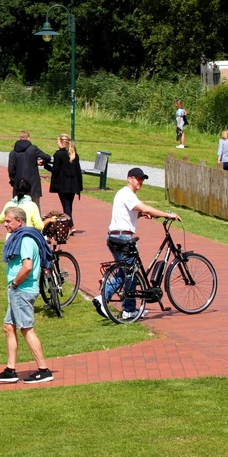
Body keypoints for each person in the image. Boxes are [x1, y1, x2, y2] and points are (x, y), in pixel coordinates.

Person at [91, 168, 182, 322]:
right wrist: (168, 215)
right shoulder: (127, 194)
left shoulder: (124, 194)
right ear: (129, 179)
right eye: (138, 179)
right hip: (123, 239)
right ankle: (105, 299)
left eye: (142, 179)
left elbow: (127, 214)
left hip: (115, 236)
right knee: (128, 273)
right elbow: (145, 207)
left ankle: (129, 309)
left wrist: (139, 215)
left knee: (127, 272)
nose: (141, 182)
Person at [0, 207, 54, 384]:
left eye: (9, 221)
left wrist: (15, 284)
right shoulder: (24, 237)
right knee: (8, 326)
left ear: (19, 221)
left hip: (22, 290)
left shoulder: (25, 239)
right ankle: (10, 370)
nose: (5, 224)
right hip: (19, 290)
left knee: (26, 328)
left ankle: (43, 369)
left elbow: (27, 266)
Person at [45, 133, 83, 232]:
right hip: (73, 184)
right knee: (69, 205)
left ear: (62, 142)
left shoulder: (58, 154)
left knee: (66, 205)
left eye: (58, 142)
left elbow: (55, 170)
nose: (57, 144)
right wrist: (79, 186)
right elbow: (78, 170)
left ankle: (71, 225)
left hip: (63, 185)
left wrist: (46, 165)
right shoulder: (73, 154)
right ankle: (70, 224)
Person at [7, 130, 51, 206]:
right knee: (35, 205)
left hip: (19, 182)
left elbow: (11, 170)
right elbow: (47, 157)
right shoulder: (33, 149)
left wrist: (13, 181)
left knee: (19, 205)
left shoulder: (13, 153)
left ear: (19, 138)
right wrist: (42, 162)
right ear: (28, 138)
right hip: (33, 182)